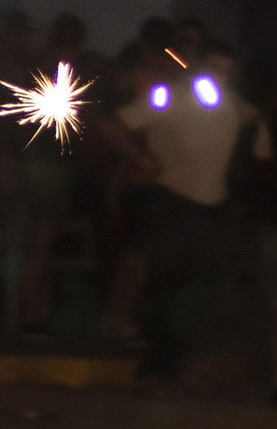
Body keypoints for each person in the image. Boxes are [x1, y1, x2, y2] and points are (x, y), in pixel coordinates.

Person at [103, 39, 272, 392]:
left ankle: (170, 370)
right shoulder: (170, 98)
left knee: (195, 292)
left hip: (212, 209)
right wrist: (142, 158)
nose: (221, 76)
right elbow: (113, 125)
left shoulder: (230, 101)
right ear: (199, 67)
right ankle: (156, 371)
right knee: (166, 290)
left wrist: (259, 144)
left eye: (227, 70)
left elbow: (254, 120)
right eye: (215, 68)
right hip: (172, 205)